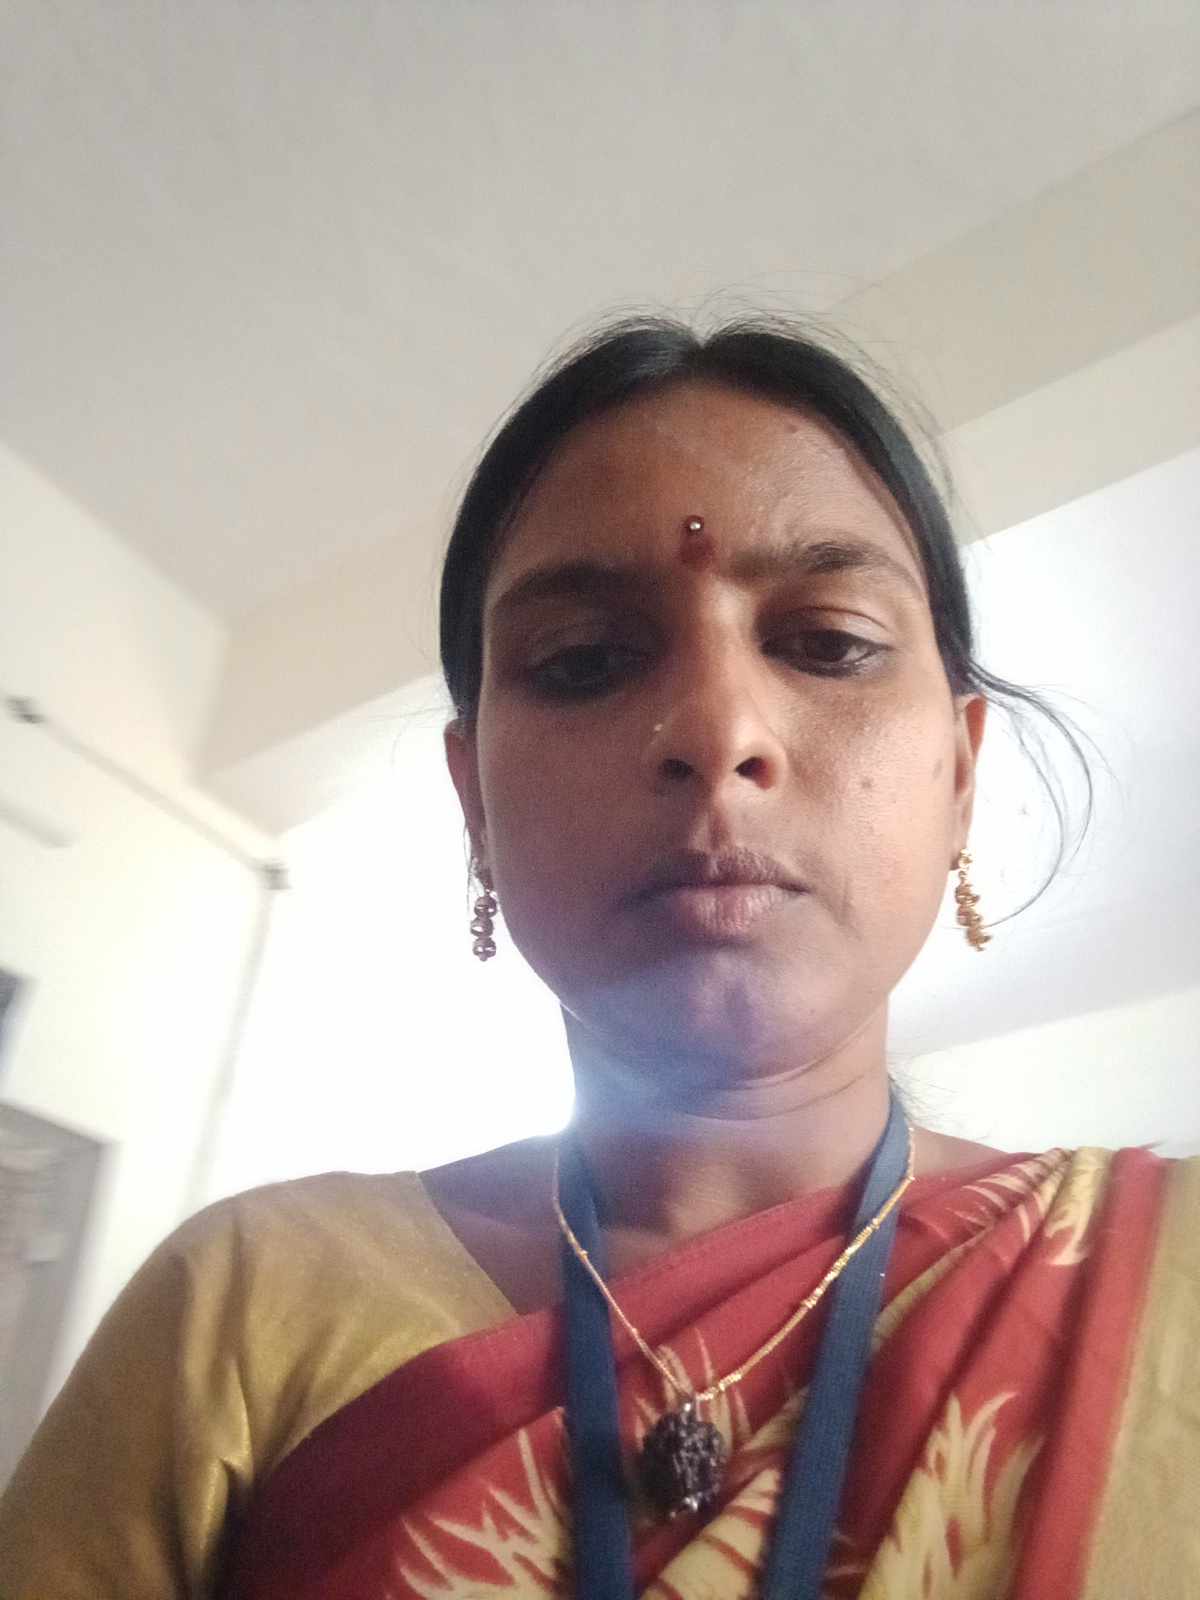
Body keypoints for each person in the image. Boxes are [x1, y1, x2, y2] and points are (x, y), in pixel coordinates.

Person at [1, 317, 1195, 1600]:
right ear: (475, 802)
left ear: (960, 772)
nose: (718, 730)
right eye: (584, 660)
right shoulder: (247, 1302)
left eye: (828, 641)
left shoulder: (1165, 1281)